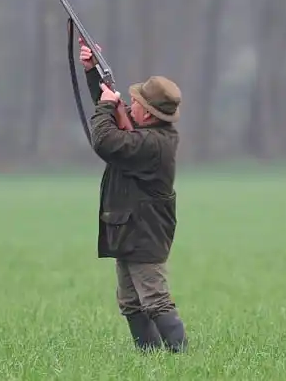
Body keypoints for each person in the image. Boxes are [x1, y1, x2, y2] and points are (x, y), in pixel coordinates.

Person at [78, 41, 188, 353]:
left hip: (145, 230)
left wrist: (105, 106)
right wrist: (92, 71)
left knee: (155, 298)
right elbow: (114, 115)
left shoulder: (153, 144)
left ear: (149, 115)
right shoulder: (149, 133)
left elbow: (105, 139)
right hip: (131, 226)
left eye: (136, 103)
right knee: (130, 301)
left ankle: (183, 359)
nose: (130, 105)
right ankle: (150, 360)